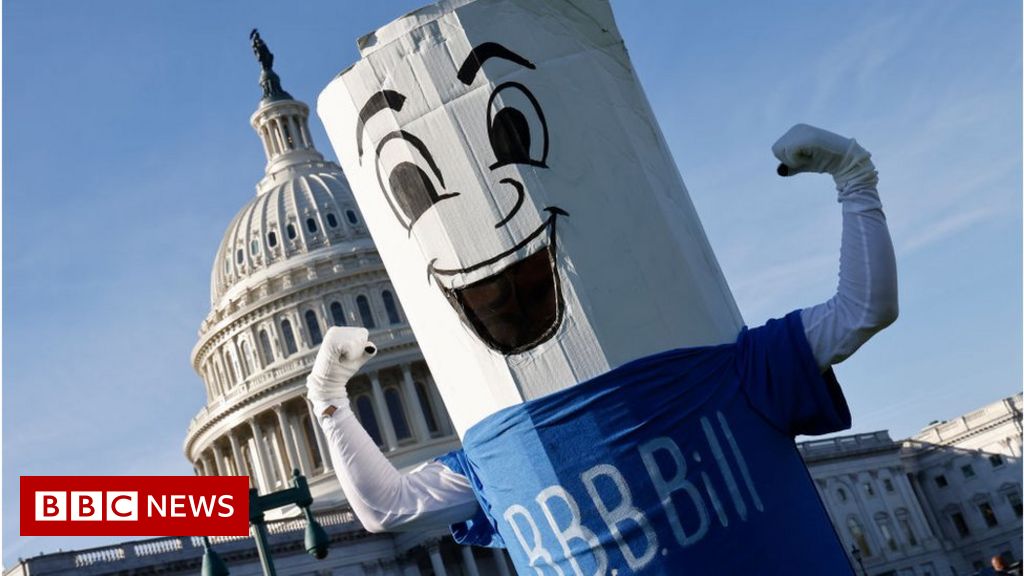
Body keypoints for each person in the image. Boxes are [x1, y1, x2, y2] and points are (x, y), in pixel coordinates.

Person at [307, 124, 898, 570]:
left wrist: (855, 177)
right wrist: (327, 393)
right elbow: (383, 510)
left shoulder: (718, 374)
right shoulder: (501, 452)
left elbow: (863, 313)